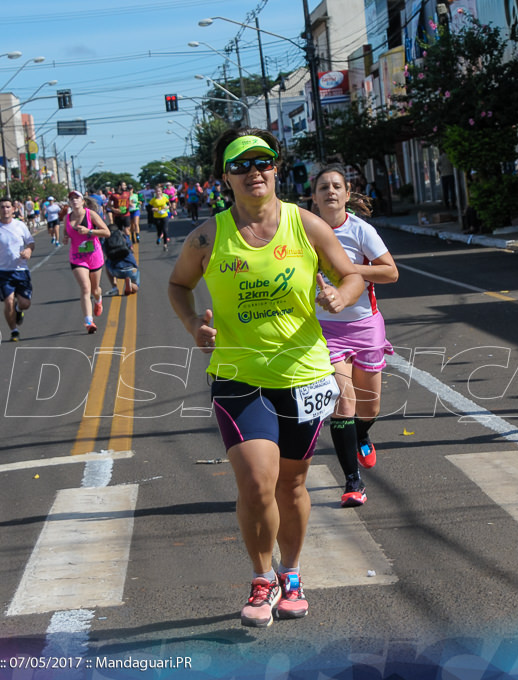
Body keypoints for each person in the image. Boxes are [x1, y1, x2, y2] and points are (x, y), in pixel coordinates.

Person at [168, 128, 364, 628]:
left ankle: (292, 573)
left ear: (276, 168)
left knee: (293, 486)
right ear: (226, 177)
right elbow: (177, 284)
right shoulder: (208, 236)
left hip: (301, 373)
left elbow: (352, 273)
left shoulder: (306, 225)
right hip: (237, 375)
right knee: (257, 482)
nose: (255, 171)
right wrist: (194, 323)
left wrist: (341, 297)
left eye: (264, 162)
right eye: (242, 165)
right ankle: (262, 579)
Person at [312, 164, 399, 508]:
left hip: (365, 326)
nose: (330, 191)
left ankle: (362, 435)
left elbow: (390, 272)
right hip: (326, 330)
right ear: (314, 198)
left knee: (369, 406)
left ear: (347, 195)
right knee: (342, 404)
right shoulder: (306, 233)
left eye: (336, 186)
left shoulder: (361, 230)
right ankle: (352, 481)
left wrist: (347, 270)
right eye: (323, 187)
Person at [0, 196, 35, 342]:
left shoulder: (20, 225)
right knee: (8, 301)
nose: (5, 210)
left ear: (13, 209)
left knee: (25, 304)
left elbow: (30, 242)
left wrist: (28, 251)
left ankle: (18, 310)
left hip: (20, 269)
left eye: (8, 207)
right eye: (2, 207)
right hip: (1, 270)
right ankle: (14, 331)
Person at [61, 190, 110, 333]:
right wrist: (65, 238)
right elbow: (66, 231)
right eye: (71, 199)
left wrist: (89, 231)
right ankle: (89, 321)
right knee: (85, 288)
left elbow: (107, 232)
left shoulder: (91, 215)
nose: (74, 200)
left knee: (95, 289)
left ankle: (98, 299)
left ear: (83, 201)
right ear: (69, 203)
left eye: (77, 198)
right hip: (77, 257)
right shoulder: (67, 218)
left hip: (94, 255)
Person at [104, 226, 140, 295]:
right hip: (131, 268)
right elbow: (131, 249)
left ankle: (114, 287)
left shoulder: (106, 241)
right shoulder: (124, 237)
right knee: (136, 286)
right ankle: (131, 285)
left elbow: (106, 255)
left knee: (107, 262)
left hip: (117, 270)